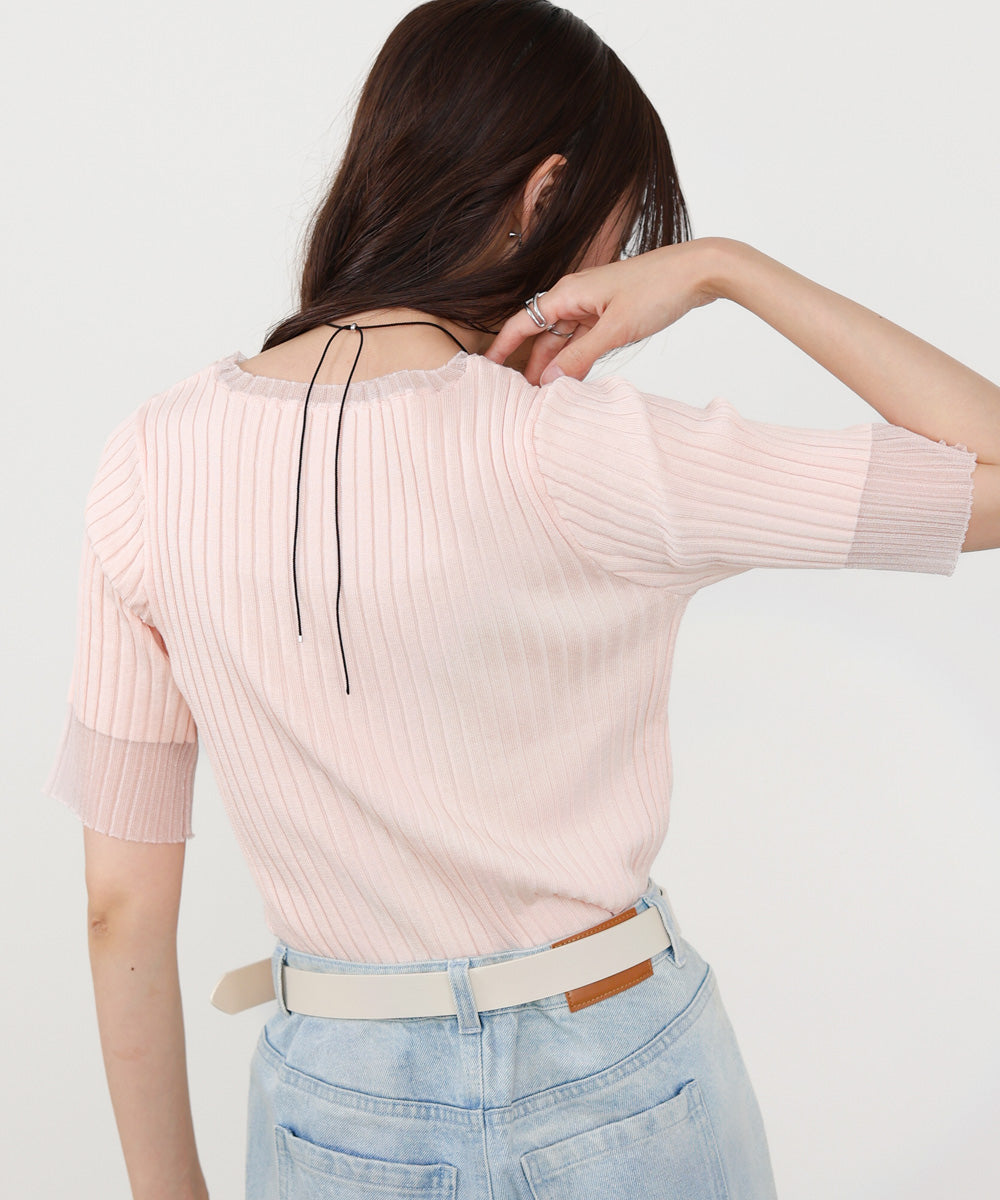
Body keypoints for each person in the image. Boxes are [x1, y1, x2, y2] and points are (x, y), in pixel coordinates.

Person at [41, 2, 998, 1198]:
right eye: (622, 230)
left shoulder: (149, 463)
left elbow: (119, 909)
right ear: (546, 195)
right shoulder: (580, 450)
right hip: (620, 1073)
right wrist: (726, 271)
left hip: (337, 1098)